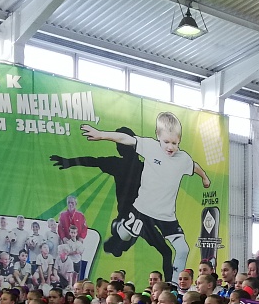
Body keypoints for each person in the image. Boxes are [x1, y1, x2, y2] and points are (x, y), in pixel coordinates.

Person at [82, 112, 211, 280]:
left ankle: (175, 285)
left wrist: (205, 178)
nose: (170, 147)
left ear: (179, 140)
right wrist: (101, 135)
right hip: (141, 210)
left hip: (167, 217)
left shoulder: (183, 159)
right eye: (166, 142)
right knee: (124, 235)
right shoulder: (150, 147)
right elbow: (125, 138)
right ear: (158, 136)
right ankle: (119, 226)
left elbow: (194, 166)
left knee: (183, 249)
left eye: (174, 143)